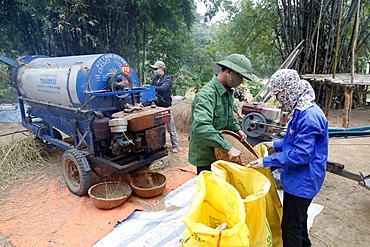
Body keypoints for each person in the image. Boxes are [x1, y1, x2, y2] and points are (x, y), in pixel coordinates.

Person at [248, 69, 329, 247]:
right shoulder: (301, 108)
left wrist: (266, 161)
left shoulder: (308, 116)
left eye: (278, 94)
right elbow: (294, 139)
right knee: (298, 223)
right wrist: (274, 145)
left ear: (287, 91)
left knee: (290, 228)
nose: (278, 99)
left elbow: (301, 154)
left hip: (303, 181)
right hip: (300, 178)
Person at [188, 54, 252, 175]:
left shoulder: (228, 92)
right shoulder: (206, 95)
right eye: (241, 77)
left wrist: (237, 129)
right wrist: (227, 147)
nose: (241, 82)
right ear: (230, 72)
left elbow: (229, 116)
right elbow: (201, 127)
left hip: (221, 152)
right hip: (206, 154)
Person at [150, 60, 179, 154]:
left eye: (156, 69)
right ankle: (159, 146)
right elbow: (152, 88)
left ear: (162, 69)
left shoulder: (167, 79)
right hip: (157, 107)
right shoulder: (155, 79)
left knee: (171, 127)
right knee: (158, 128)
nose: (154, 71)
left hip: (166, 107)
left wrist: (152, 88)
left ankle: (175, 146)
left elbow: (163, 89)